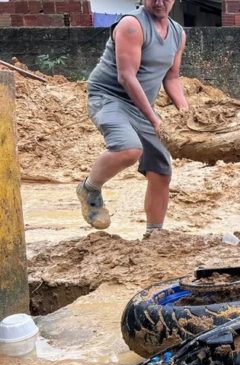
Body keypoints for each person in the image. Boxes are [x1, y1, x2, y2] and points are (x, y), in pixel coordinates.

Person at [79, 0, 188, 235]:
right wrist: (156, 120)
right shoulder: (132, 25)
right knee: (128, 148)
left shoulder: (178, 34)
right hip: (109, 97)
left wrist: (187, 115)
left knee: (161, 167)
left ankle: (154, 233)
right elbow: (126, 77)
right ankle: (89, 189)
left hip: (141, 104)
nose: (160, 2)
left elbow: (172, 77)